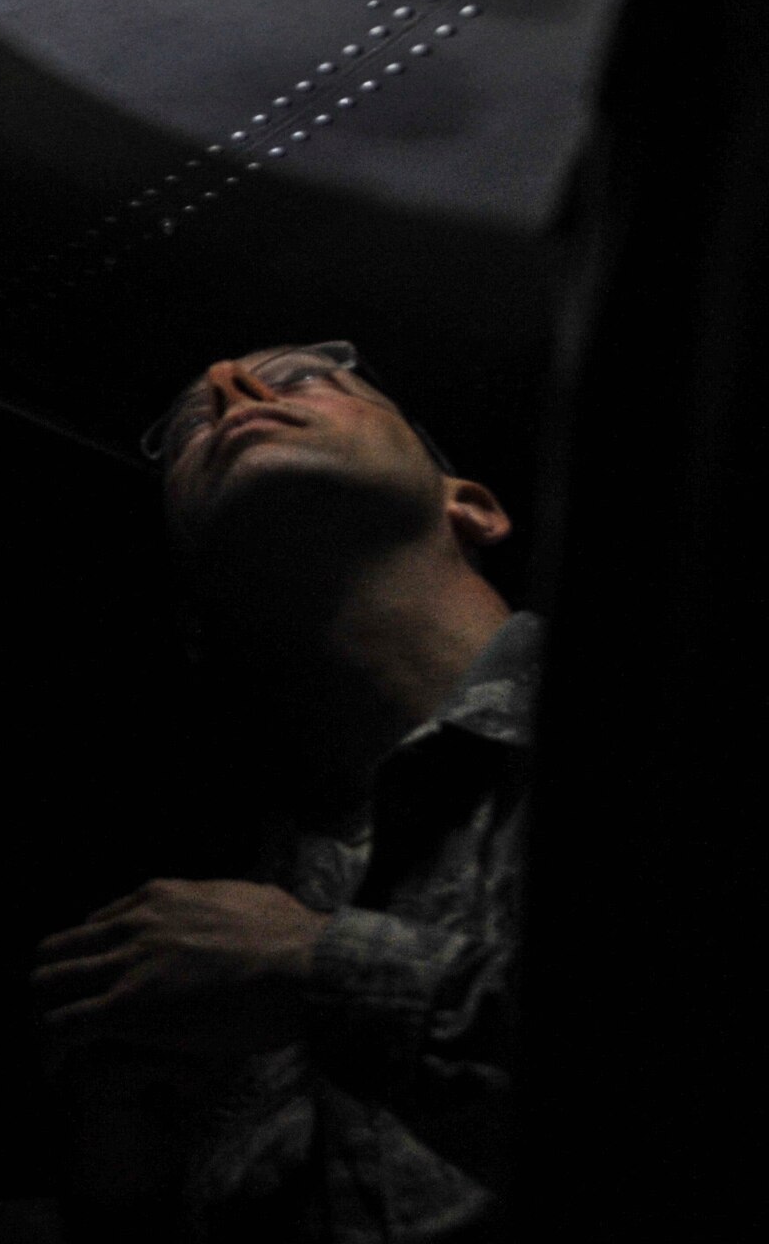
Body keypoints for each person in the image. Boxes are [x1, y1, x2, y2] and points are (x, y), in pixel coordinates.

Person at [30, 342, 545, 1242]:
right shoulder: (194, 923)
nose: (231, 391)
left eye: (308, 376)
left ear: (472, 506)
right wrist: (119, 1171)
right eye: (194, 424)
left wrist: (323, 972)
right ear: (193, 610)